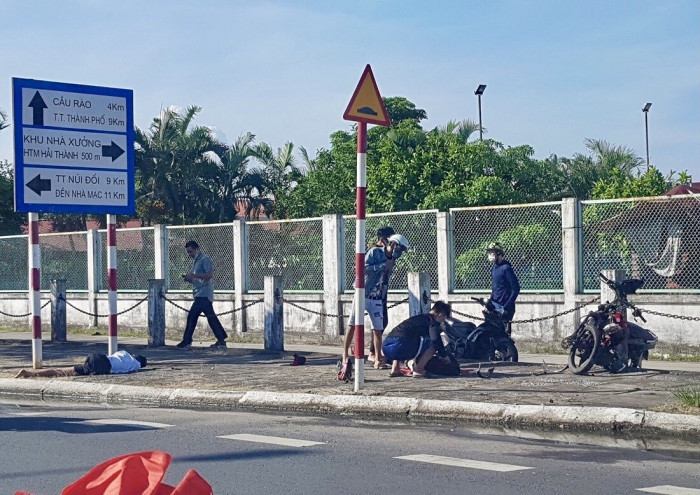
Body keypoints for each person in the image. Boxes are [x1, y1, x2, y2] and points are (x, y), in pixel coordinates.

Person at [342, 233, 392, 369]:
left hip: (377, 296)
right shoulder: (374, 252)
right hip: (363, 293)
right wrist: (382, 265)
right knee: (352, 324)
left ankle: (377, 358)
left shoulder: (391, 255)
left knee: (378, 328)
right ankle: (345, 354)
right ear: (383, 240)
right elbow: (362, 268)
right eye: (390, 242)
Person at [177, 240, 228, 349]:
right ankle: (221, 339)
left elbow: (209, 275)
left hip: (204, 294)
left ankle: (187, 340)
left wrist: (194, 276)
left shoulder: (205, 260)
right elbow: (197, 278)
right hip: (199, 293)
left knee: (192, 316)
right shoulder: (195, 261)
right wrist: (189, 279)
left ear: (197, 249)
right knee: (211, 317)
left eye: (191, 251)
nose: (189, 254)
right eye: (188, 252)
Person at [382, 301, 452, 377]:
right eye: (444, 318)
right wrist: (444, 356)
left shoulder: (419, 318)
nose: (442, 322)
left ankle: (395, 369)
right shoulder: (432, 322)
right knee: (433, 344)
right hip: (400, 346)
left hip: (386, 347)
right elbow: (435, 340)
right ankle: (419, 369)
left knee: (407, 337)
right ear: (440, 315)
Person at [14, 350, 147, 378]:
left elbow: (113, 355)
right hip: (103, 366)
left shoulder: (125, 353)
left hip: (99, 356)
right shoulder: (135, 366)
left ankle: (30, 373)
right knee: (61, 372)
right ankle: (30, 373)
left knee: (62, 370)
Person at [487, 242, 520, 334]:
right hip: (495, 306)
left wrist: (508, 305)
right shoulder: (494, 269)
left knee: (504, 335)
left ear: (499, 254)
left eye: (493, 253)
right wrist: (490, 301)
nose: (490, 255)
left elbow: (516, 288)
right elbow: (495, 288)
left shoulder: (506, 268)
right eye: (489, 253)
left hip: (505, 307)